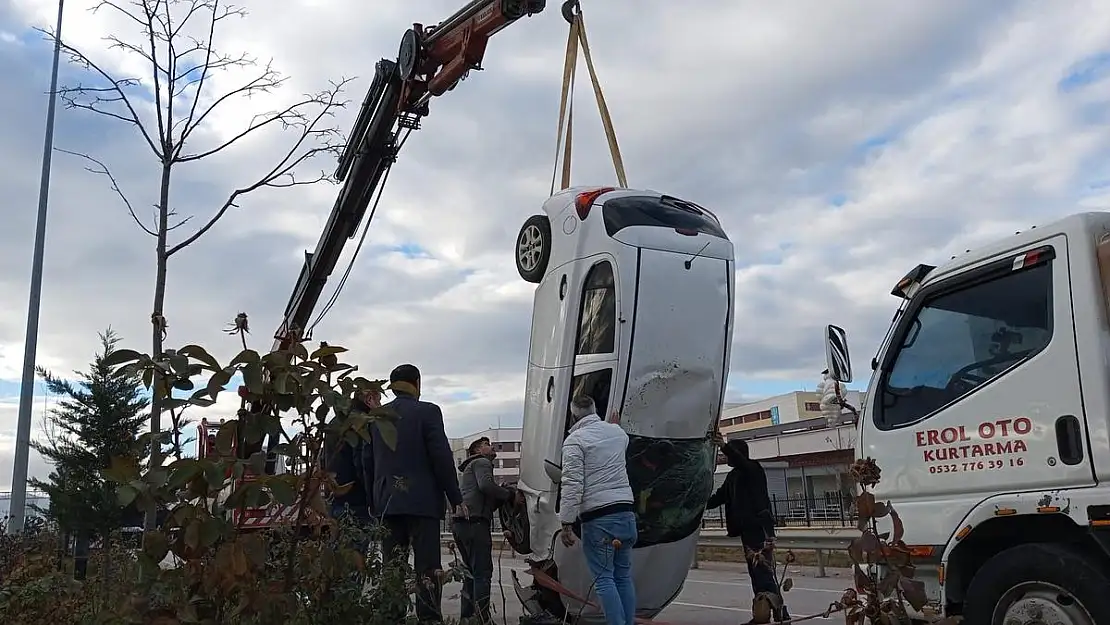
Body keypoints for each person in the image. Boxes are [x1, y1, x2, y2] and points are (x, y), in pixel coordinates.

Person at [361, 364, 467, 623]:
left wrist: (372, 500)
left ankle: (393, 616)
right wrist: (456, 498)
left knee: (392, 566)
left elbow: (366, 461)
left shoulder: (377, 418)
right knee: (428, 568)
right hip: (423, 503)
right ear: (417, 383)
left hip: (387, 503)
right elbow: (441, 457)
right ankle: (429, 618)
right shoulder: (428, 412)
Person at [558, 396, 638, 625]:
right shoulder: (619, 434)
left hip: (599, 517)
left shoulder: (575, 441)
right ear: (595, 410)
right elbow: (612, 444)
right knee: (623, 576)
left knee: (605, 579)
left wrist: (566, 522)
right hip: (626, 513)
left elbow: (572, 483)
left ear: (573, 416)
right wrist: (614, 425)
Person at [706, 436, 790, 623]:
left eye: (728, 454)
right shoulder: (733, 476)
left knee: (763, 571)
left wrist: (724, 446)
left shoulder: (753, 469)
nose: (726, 458)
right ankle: (765, 613)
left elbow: (741, 462)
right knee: (757, 573)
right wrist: (697, 504)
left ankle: (779, 613)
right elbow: (719, 497)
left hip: (759, 528)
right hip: (746, 530)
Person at [454, 436, 518, 621]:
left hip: (462, 524)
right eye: (486, 445)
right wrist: (510, 495)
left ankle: (467, 618)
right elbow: (486, 486)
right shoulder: (481, 462)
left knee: (470, 573)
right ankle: (482, 619)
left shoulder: (469, 468)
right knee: (482, 573)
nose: (491, 447)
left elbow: (485, 501)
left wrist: (501, 496)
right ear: (477, 451)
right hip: (475, 524)